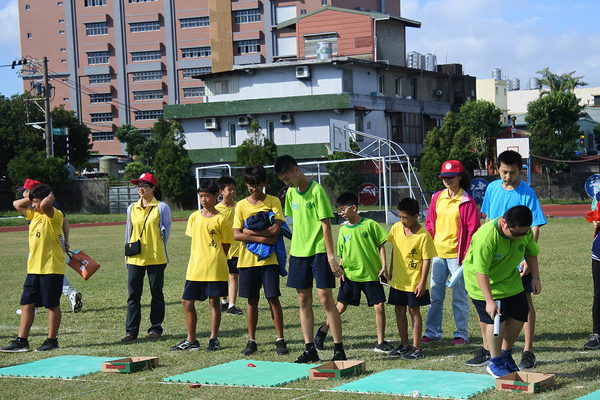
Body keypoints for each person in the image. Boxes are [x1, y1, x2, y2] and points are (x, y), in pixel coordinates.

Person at [467, 150, 546, 370]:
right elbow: (486, 219)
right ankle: (492, 355)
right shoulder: (492, 189)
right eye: (503, 172)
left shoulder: (526, 194)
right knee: (493, 314)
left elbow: (532, 229)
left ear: (520, 171)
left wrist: (531, 268)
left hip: (514, 263)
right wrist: (489, 298)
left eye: (512, 172)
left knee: (522, 308)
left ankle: (523, 351)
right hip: (491, 261)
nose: (507, 176)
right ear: (497, 170)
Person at [274, 155, 347, 363]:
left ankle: (338, 349)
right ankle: (309, 350)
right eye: (283, 181)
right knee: (303, 300)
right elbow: (295, 223)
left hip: (320, 252)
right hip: (298, 254)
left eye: (287, 178)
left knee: (326, 300)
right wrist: (292, 252)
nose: (286, 183)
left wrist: (331, 257)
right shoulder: (290, 193)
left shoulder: (317, 191)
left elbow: (326, 225)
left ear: (296, 170)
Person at [463, 205, 541, 378]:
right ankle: (495, 361)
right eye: (516, 234)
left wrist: (535, 277)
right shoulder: (486, 237)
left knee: (521, 313)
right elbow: (481, 271)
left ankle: (505, 354)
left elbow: (531, 252)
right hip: (482, 282)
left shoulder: (524, 232)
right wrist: (489, 301)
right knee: (496, 319)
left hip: (508, 279)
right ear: (504, 223)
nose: (520, 237)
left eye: (523, 233)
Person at [314, 192, 393, 353]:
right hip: (350, 277)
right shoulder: (343, 231)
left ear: (354, 208)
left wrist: (384, 267)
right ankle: (322, 331)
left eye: (343, 209)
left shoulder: (370, 224)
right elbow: (342, 254)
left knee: (379, 307)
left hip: (371, 275)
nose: (341, 213)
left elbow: (381, 245)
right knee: (340, 308)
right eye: (339, 210)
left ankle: (380, 342)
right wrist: (340, 271)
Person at [170, 180, 233, 351]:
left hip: (214, 267)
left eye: (206, 196)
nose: (203, 199)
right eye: (201, 196)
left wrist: (215, 257)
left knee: (214, 303)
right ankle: (191, 340)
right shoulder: (194, 217)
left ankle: (214, 339)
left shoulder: (222, 220)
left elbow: (226, 245)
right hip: (195, 268)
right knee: (187, 301)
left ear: (216, 196)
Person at [1, 184, 65, 352]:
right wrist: (31, 198)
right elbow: (17, 204)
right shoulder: (34, 214)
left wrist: (49, 195)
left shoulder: (54, 214)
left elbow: (45, 205)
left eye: (35, 202)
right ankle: (22, 341)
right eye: (32, 202)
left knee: (52, 305)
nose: (33, 205)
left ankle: (52, 340)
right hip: (34, 269)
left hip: (51, 268)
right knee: (27, 303)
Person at [423, 160, 480, 345]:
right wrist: (432, 241)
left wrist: (466, 255)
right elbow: (430, 221)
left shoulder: (467, 202)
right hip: (438, 255)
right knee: (435, 296)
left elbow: (473, 231)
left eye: (451, 177)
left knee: (459, 297)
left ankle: (461, 334)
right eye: (444, 177)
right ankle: (432, 333)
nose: (446, 180)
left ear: (460, 177)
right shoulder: (437, 197)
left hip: (458, 258)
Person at [233, 165, 288, 356]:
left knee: (273, 298)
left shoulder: (273, 201)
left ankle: (280, 340)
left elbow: (276, 229)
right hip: (247, 262)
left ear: (265, 183)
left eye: (257, 185)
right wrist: (262, 239)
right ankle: (252, 341)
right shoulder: (240, 205)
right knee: (251, 301)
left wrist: (250, 232)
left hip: (269, 260)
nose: (254, 189)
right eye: (250, 185)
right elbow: (237, 235)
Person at [16, 179, 83, 314]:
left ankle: (67, 294)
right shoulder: (34, 206)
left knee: (48, 272)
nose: (23, 194)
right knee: (45, 273)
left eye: (25, 191)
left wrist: (66, 239)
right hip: (40, 242)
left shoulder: (48, 204)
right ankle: (68, 294)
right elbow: (16, 204)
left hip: (47, 244)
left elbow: (63, 220)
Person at [122, 173, 171, 343]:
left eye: (144, 185)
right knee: (133, 295)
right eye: (138, 185)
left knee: (156, 294)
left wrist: (158, 246)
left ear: (153, 188)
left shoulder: (162, 207)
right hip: (135, 258)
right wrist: (126, 257)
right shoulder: (131, 208)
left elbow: (166, 233)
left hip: (156, 257)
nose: (140, 188)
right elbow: (128, 233)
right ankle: (131, 331)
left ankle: (155, 328)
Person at [386, 197, 437, 359]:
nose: (402, 221)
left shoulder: (423, 236)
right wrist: (390, 269)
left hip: (414, 283)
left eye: (405, 217)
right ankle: (404, 344)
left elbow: (427, 260)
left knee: (414, 311)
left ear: (416, 216)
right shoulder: (395, 228)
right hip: (398, 282)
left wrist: (422, 283)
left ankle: (416, 348)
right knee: (399, 311)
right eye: (400, 217)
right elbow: (395, 249)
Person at [215, 176, 243, 316]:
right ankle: (224, 301)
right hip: (221, 249)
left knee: (233, 276)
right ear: (221, 191)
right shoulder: (216, 210)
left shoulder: (240, 206)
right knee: (222, 276)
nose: (232, 191)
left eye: (234, 189)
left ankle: (231, 305)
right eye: (229, 189)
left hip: (236, 248)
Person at [584, 192, 600, 350]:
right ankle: (597, 335)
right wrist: (595, 221)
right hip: (599, 252)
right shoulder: (599, 196)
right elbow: (594, 216)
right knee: (598, 294)